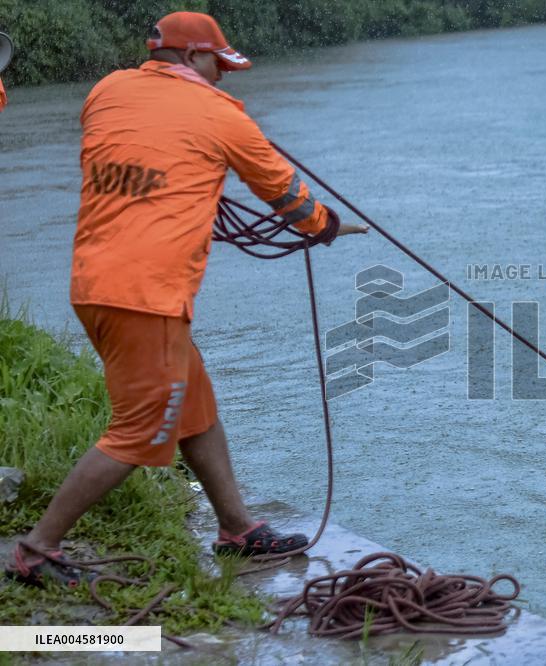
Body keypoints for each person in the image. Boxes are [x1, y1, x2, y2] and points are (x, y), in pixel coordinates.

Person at [5, 11, 368, 587]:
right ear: (195, 58)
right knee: (140, 430)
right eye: (219, 64)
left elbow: (146, 156)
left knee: (193, 407)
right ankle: (37, 549)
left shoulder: (107, 90)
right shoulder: (223, 116)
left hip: (94, 284)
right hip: (144, 295)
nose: (224, 76)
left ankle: (237, 529)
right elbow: (288, 198)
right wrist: (327, 225)